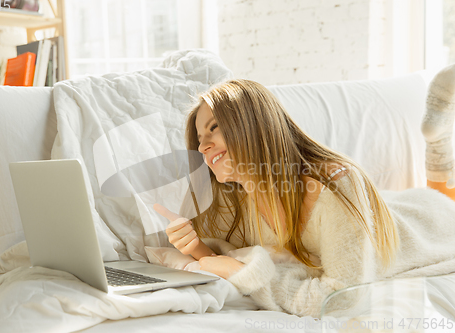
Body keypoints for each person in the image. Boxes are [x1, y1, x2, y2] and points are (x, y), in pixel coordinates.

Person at [154, 66, 455, 317]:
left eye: (214, 127)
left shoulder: (335, 185)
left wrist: (248, 276)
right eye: (199, 138)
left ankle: (439, 142)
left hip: (431, 224)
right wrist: (196, 249)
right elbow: (222, 260)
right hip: (387, 207)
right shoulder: (238, 200)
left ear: (253, 125)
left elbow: (339, 297)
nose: (203, 145)